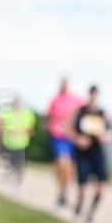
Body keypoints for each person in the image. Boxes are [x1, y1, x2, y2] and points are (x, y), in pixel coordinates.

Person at [71, 85, 112, 223]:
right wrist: (78, 139)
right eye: (92, 94)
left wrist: (105, 136)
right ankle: (79, 206)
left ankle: (90, 214)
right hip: (83, 153)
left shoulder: (103, 114)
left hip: (97, 152)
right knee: (83, 187)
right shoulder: (80, 112)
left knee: (101, 186)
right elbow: (69, 130)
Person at [46, 78, 85, 207]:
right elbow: (49, 117)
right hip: (58, 135)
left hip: (72, 136)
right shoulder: (55, 100)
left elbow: (84, 115)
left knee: (70, 166)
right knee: (62, 163)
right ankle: (62, 190)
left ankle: (65, 191)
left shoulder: (77, 99)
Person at [0, 97, 36, 185]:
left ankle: (18, 177)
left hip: (22, 143)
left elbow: (31, 128)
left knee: (20, 162)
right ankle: (9, 176)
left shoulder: (28, 113)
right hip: (8, 142)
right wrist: (8, 131)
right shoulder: (6, 112)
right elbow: (1, 126)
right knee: (9, 161)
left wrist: (22, 132)